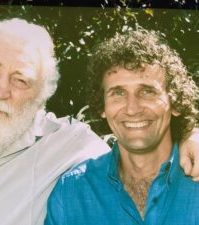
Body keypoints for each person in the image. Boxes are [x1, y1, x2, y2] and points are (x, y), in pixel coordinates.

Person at [0, 19, 197, 225]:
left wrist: (190, 133)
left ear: (40, 97)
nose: (1, 90)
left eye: (21, 79)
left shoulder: (67, 146)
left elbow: (138, 141)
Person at [45, 29, 199, 225]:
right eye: (118, 93)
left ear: (175, 102)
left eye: (147, 91)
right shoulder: (72, 193)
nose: (132, 108)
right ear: (102, 106)